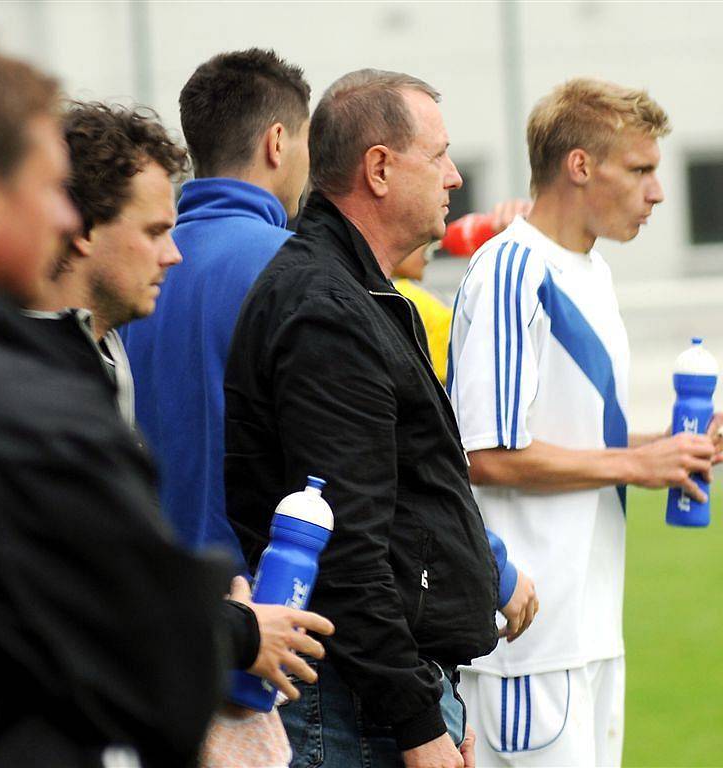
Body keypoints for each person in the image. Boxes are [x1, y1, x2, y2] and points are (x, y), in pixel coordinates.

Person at [0, 43, 332, 768]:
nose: (173, 254)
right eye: (50, 189)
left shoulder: (91, 353)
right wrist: (233, 629)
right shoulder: (23, 400)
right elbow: (120, 635)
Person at [224, 68, 538, 768]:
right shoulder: (328, 310)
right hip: (354, 709)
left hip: (373, 696)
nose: (455, 177)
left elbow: (409, 497)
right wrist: (417, 724)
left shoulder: (353, 291)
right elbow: (345, 548)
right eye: (440, 155)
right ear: (379, 169)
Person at [447, 77, 723, 767]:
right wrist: (636, 466)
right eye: (640, 169)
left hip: (588, 629)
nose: (657, 192)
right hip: (526, 645)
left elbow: (563, 436)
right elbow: (483, 452)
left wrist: (660, 450)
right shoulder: (512, 268)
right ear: (581, 165)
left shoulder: (590, 269)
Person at [121, 49, 311, 561]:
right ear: (277, 142)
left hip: (156, 586)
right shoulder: (298, 271)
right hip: (262, 599)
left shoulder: (133, 270)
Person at [24, 101, 188, 428]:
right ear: (83, 228)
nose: (173, 255)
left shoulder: (102, 348)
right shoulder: (22, 376)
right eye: (154, 232)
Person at [393, 200, 532, 385]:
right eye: (419, 231)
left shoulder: (388, 292)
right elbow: (486, 341)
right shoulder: (405, 295)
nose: (429, 244)